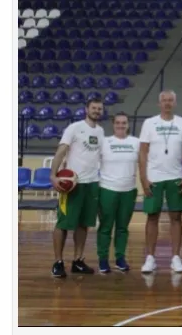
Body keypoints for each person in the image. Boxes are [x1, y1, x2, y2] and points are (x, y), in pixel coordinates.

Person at [50, 97, 105, 278]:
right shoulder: (74, 128)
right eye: (94, 108)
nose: (97, 111)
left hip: (91, 184)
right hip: (72, 185)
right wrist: (53, 175)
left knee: (83, 225)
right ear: (86, 109)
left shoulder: (101, 132)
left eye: (99, 108)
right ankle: (58, 262)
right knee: (63, 224)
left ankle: (78, 260)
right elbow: (61, 151)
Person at [139, 90, 182, 274]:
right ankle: (150, 258)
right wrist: (143, 178)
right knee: (152, 217)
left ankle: (176, 257)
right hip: (154, 177)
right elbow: (143, 151)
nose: (167, 103)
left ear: (175, 103)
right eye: (164, 100)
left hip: (176, 176)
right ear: (159, 103)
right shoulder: (149, 123)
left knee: (176, 218)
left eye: (170, 100)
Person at [97, 112, 139, 273]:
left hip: (128, 190)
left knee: (122, 227)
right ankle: (103, 258)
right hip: (107, 189)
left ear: (128, 125)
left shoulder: (136, 142)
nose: (121, 125)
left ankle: (120, 257)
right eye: (118, 123)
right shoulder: (104, 142)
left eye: (124, 123)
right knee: (106, 226)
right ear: (113, 125)